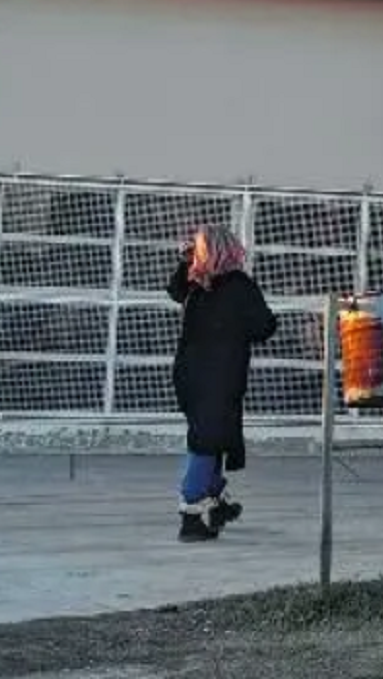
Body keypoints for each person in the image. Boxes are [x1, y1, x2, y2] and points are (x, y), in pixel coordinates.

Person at [167, 224, 277, 542]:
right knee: (206, 444)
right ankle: (190, 514)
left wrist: (186, 261)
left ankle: (215, 503)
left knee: (211, 439)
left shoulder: (197, 284)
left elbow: (175, 290)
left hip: (189, 376)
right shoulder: (238, 285)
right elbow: (264, 327)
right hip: (221, 378)